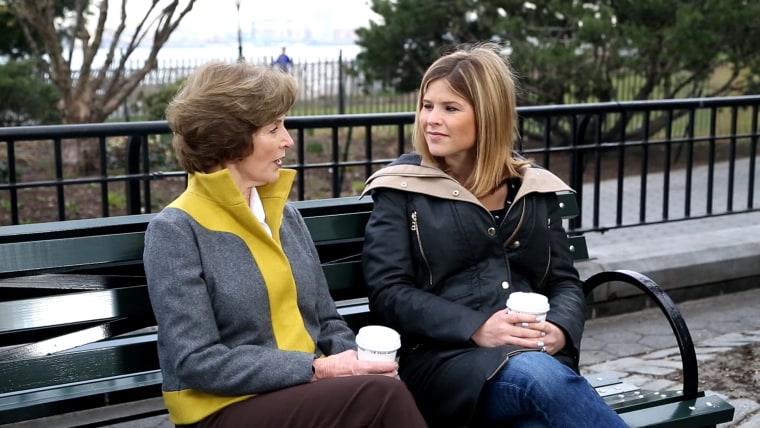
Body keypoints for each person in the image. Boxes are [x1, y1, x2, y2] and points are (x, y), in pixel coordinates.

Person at [143, 60, 427, 428]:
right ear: (230, 137)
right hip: (220, 409)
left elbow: (326, 320)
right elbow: (197, 361)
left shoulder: (285, 215)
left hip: (301, 393)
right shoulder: (176, 230)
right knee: (381, 398)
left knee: (382, 386)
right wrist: (317, 368)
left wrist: (358, 362)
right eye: (274, 128)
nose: (288, 140)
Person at [361, 43, 629, 428]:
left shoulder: (529, 186)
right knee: (537, 377)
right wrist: (477, 328)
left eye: (450, 108)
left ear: (488, 115)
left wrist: (560, 329)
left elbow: (564, 282)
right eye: (427, 105)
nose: (431, 120)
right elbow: (389, 292)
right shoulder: (403, 188)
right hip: (446, 363)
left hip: (534, 360)